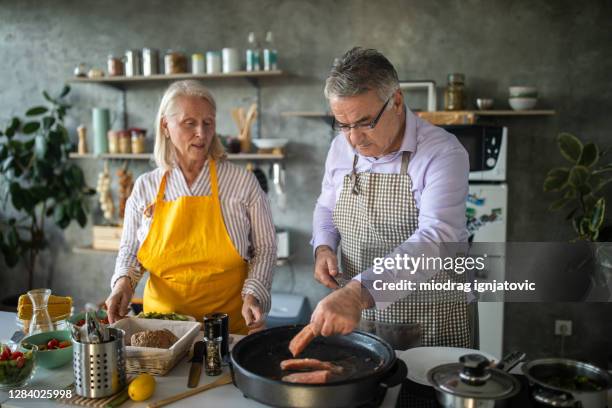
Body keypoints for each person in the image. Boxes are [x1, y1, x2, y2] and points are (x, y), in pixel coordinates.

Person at [310, 47, 472, 349]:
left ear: (396, 101)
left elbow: (436, 239)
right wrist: (323, 246)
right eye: (343, 125)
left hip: (431, 319)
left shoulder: (442, 153)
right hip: (361, 316)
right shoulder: (340, 149)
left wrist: (357, 292)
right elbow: (325, 206)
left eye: (364, 122)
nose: (354, 139)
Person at [105, 80, 276, 335]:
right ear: (165, 126)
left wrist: (254, 293)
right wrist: (123, 285)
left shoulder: (242, 182)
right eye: (189, 123)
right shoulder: (145, 187)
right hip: (162, 331)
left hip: (228, 329)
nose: (202, 133)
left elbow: (265, 248)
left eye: (208, 123)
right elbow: (131, 251)